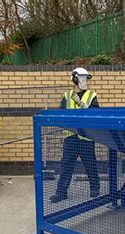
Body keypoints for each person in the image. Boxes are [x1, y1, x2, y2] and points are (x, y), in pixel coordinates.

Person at [50, 67, 100, 203]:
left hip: (86, 136)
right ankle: (61, 192)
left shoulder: (91, 95)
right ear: (75, 79)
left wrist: (80, 103)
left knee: (90, 164)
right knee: (66, 166)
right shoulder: (67, 96)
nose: (84, 81)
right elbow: (61, 113)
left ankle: (95, 188)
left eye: (85, 79)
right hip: (71, 137)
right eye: (82, 78)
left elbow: (95, 113)